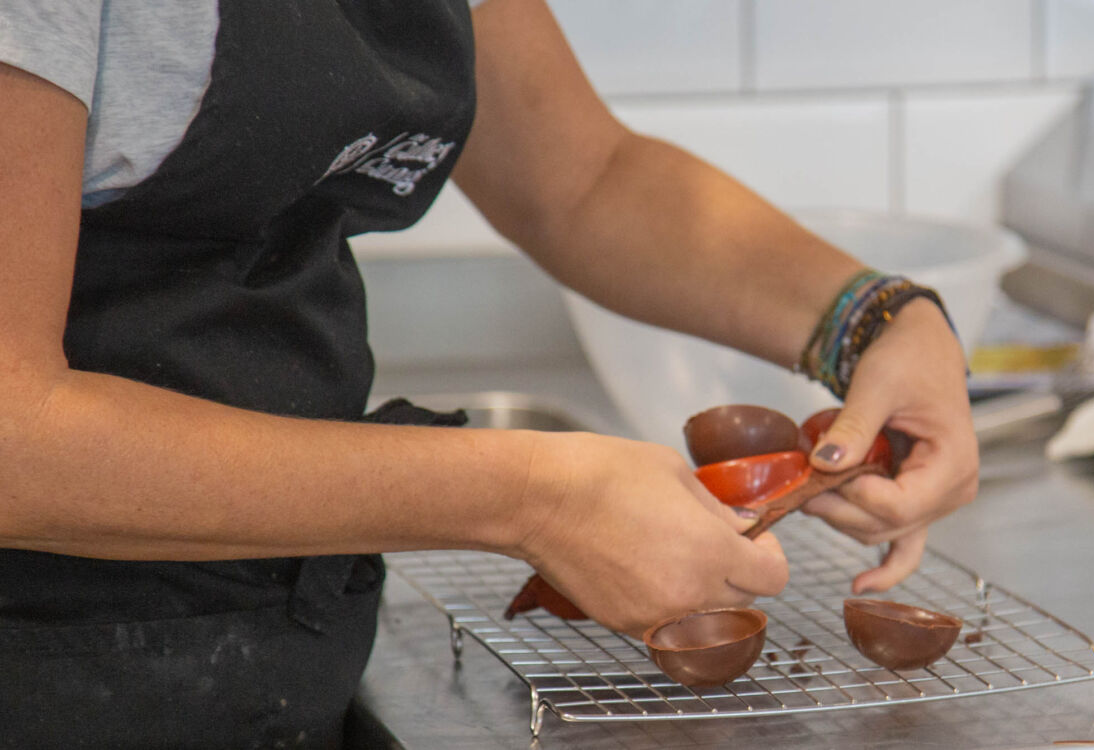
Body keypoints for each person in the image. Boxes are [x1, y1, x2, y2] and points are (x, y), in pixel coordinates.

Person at [0, 0, 978, 746]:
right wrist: (532, 498)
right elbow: (13, 438)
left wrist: (873, 320)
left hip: (271, 648)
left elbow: (582, 180)